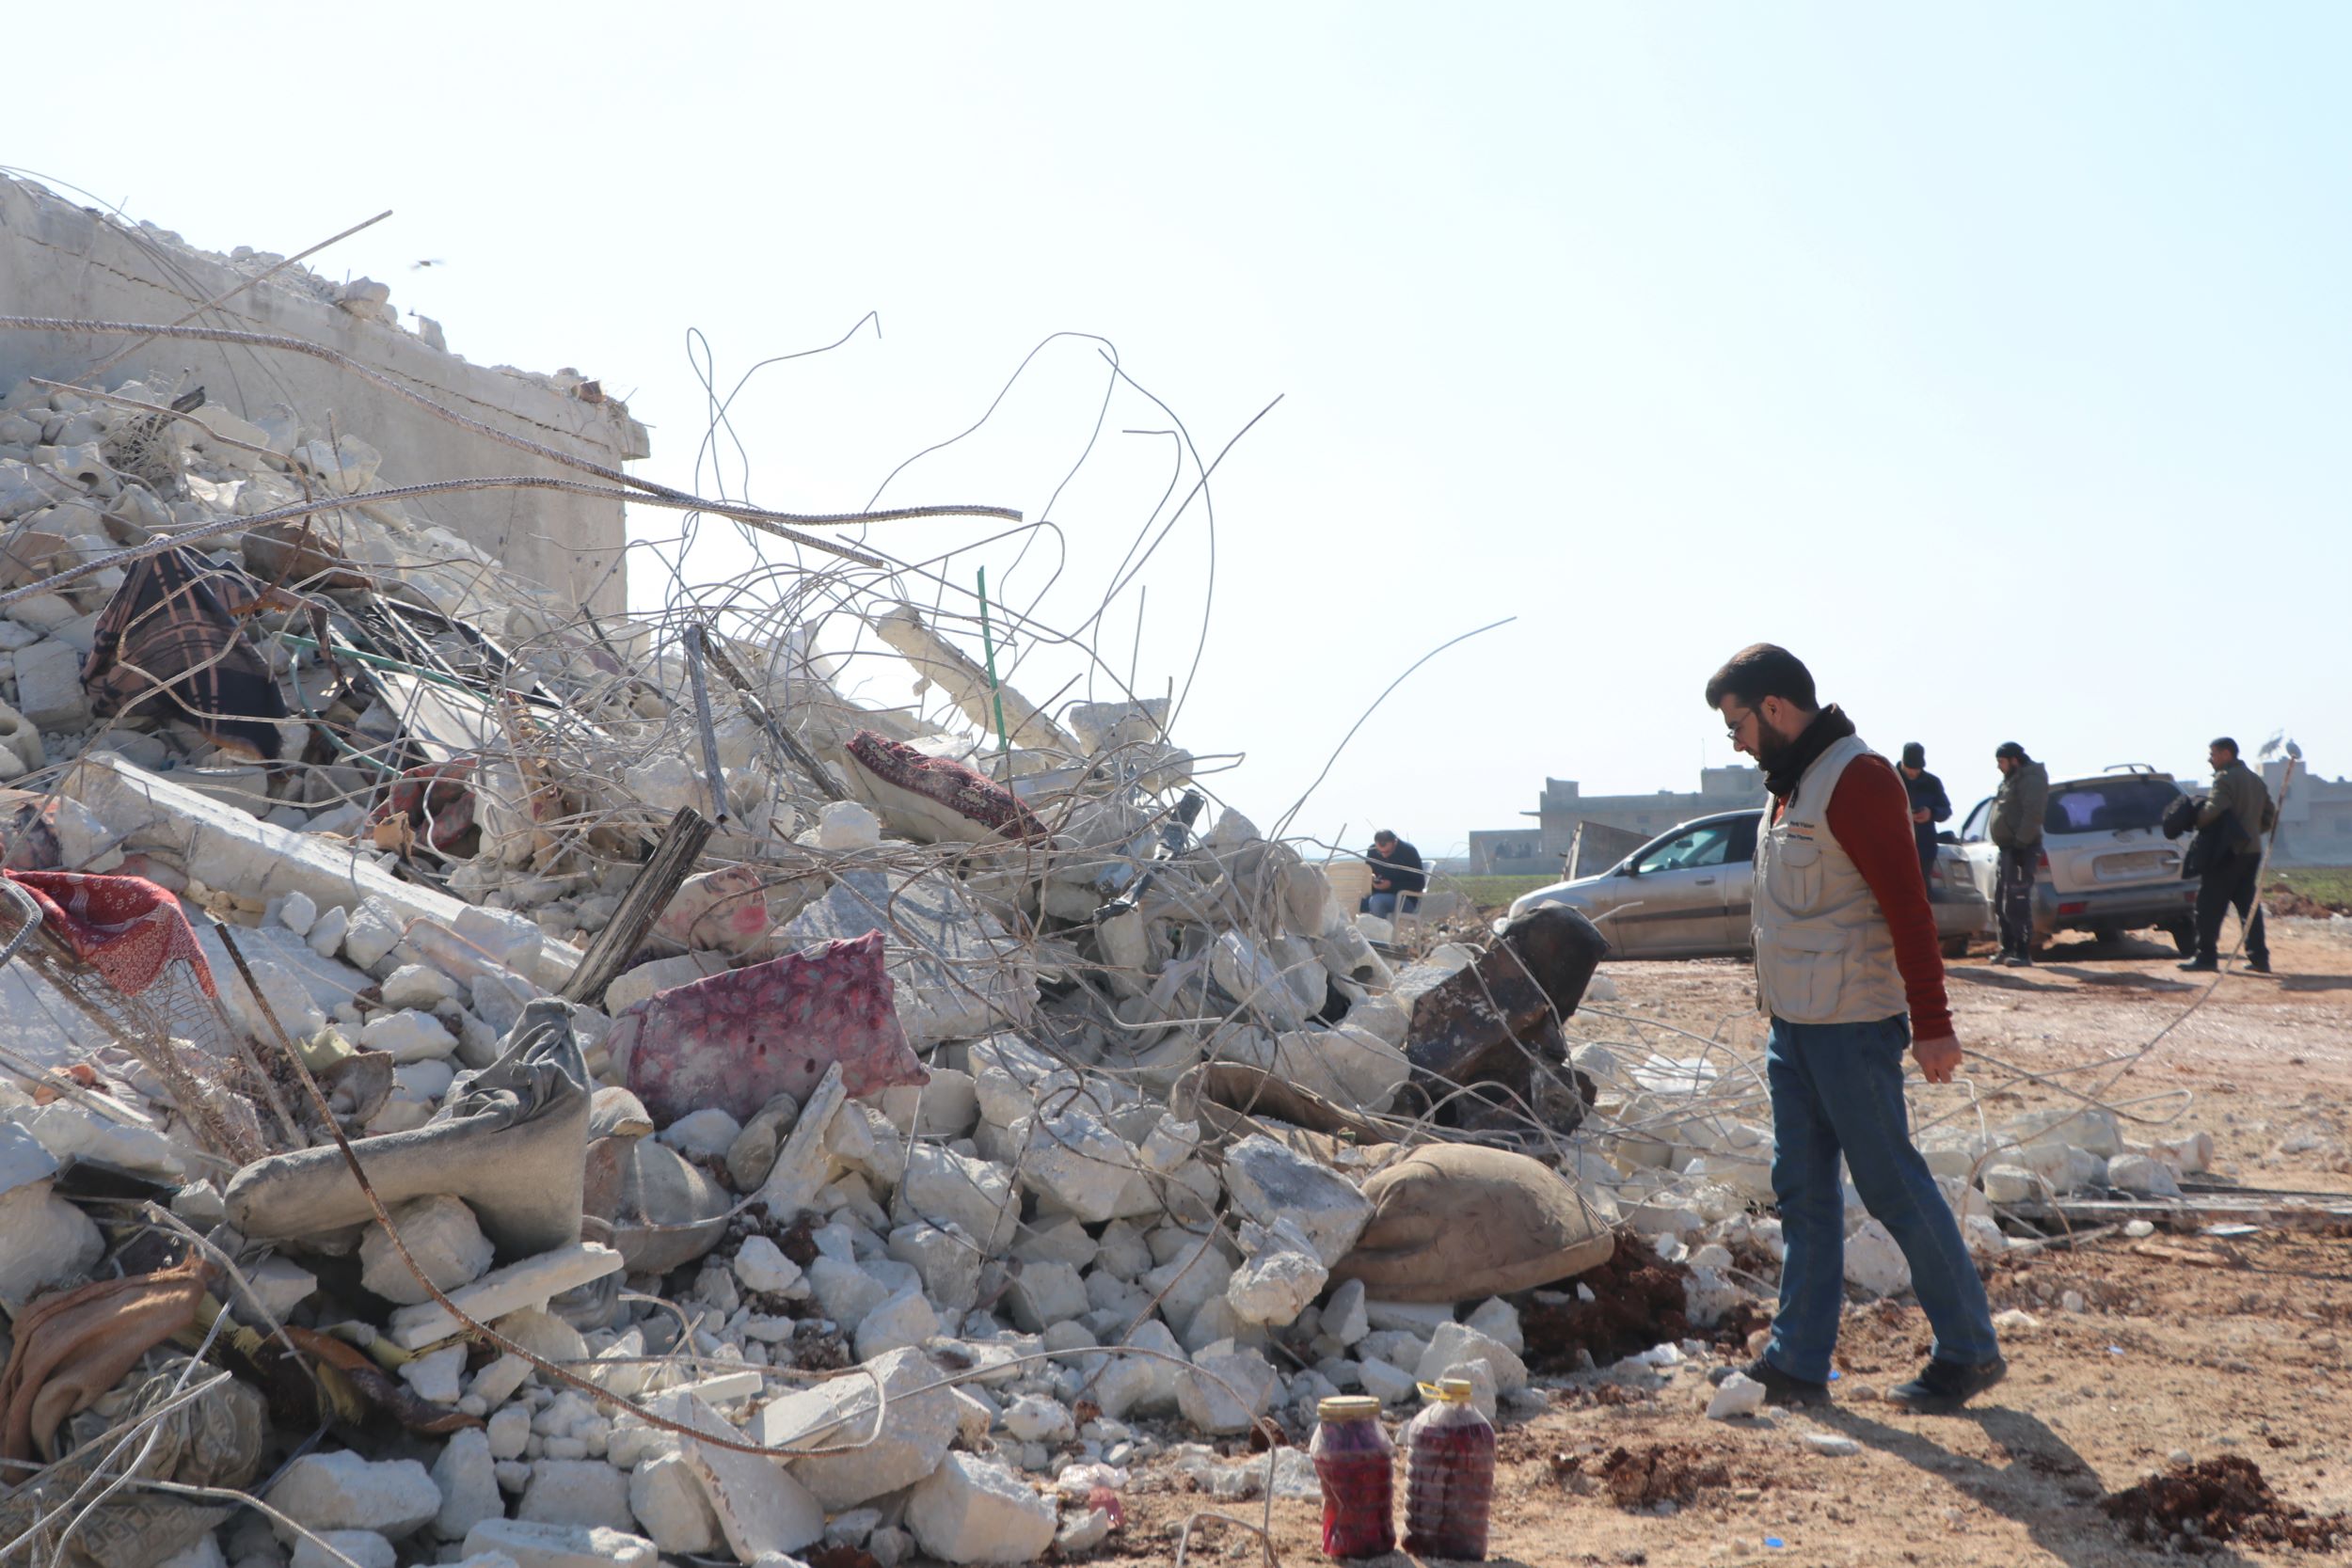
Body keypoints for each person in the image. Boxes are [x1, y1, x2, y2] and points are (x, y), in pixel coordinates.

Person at [1705, 643, 2003, 1414]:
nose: (1735, 741)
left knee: (1892, 1185)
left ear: (1774, 708)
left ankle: (1969, 1349)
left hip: (1853, 1026)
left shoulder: (1858, 778)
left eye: (1737, 724)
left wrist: (1933, 1024)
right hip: (1794, 1028)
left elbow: (1909, 908)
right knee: (1803, 1193)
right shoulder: (1789, 785)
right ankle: (1797, 1359)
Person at [2183, 736, 2274, 974]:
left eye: (2213, 754)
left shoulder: (2225, 778)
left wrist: (2196, 820)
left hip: (2227, 853)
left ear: (2226, 754)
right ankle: (2259, 958)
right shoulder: (2255, 779)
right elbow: (2269, 814)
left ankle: (2206, 957)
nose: (2210, 759)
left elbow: (2213, 809)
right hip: (2251, 851)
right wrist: (2251, 832)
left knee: (2208, 905)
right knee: (2248, 907)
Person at [1987, 742, 2048, 967]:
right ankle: (2008, 948)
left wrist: (2021, 844)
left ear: (2014, 760)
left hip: (2022, 849)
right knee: (2002, 901)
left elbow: (2033, 814)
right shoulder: (2011, 779)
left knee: (2017, 901)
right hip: (2007, 849)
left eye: (2001, 762)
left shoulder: (2031, 780)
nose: (1999, 767)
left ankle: (2022, 952)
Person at [1899, 742, 1952, 886]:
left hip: (1924, 850)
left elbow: (1946, 810)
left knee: (1922, 891)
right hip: (1896, 848)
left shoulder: (1932, 783)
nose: (1913, 773)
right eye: (1909, 768)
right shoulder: (1891, 778)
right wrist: (1903, 815)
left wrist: (1931, 813)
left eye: (1916, 769)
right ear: (1903, 762)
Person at [1360, 831, 1425, 919]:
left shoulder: (1408, 851)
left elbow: (1419, 884)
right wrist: (1372, 880)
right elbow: (1368, 872)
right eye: (1380, 851)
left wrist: (1391, 885)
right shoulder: (1372, 850)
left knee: (1377, 902)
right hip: (1376, 894)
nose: (1383, 855)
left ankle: (1382, 928)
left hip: (1403, 899)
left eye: (1387, 851)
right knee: (1353, 902)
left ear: (1395, 842)